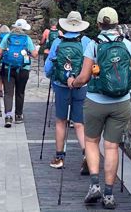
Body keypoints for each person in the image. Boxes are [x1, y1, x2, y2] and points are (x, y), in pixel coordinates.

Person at [68, 7, 131, 210]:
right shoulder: (126, 44)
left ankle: (94, 185)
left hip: (96, 102)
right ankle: (109, 194)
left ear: (99, 24)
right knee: (111, 147)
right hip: (121, 102)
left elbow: (84, 77)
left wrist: (73, 83)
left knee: (91, 142)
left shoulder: (93, 44)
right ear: (117, 24)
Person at [44, 11, 91, 174]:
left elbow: (48, 67)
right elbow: (93, 65)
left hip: (60, 85)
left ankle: (59, 157)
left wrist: (52, 76)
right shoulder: (86, 42)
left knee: (60, 121)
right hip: (80, 86)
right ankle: (87, 155)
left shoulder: (58, 41)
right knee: (79, 123)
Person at [0, 19, 38, 127]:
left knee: (8, 93)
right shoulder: (27, 39)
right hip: (23, 69)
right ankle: (18, 115)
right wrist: (35, 49)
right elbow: (35, 55)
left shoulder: (7, 37)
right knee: (20, 92)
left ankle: (8, 116)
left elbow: (0, 53)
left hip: (8, 68)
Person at [0, 25, 10, 97]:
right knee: (6, 76)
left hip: (0, 59)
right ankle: (6, 90)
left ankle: (0, 91)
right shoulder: (10, 37)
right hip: (7, 59)